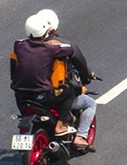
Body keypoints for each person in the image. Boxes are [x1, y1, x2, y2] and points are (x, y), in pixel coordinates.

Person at [9, 8, 97, 147]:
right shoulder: (51, 49)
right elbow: (71, 50)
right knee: (72, 93)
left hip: (22, 97)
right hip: (45, 96)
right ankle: (63, 126)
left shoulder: (19, 46)